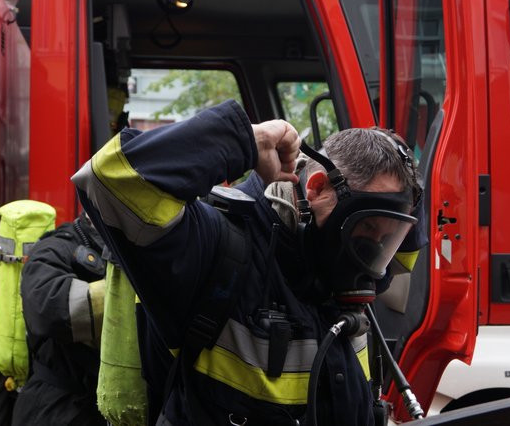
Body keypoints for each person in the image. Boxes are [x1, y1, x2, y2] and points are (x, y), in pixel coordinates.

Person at [72, 99, 423, 426]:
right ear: (316, 189)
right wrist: (241, 140)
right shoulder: (213, 246)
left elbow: (402, 233)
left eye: (389, 235)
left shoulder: (358, 267)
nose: (376, 249)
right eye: (367, 227)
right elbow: (108, 178)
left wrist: (402, 167)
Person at [12, 212, 108, 426]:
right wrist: (123, 296)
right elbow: (46, 306)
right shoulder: (55, 247)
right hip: (54, 410)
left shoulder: (125, 251)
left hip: (96, 406)